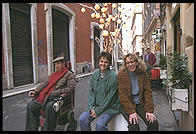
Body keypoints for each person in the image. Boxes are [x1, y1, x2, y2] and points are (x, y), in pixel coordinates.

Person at [25, 56, 75, 131]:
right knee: (31, 105)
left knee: (49, 107)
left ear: (63, 64)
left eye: (58, 64)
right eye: (55, 64)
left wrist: (56, 92)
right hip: (45, 98)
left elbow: (71, 88)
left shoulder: (69, 74)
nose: (57, 66)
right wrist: (35, 91)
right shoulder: (53, 75)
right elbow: (44, 84)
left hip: (56, 98)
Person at [79, 51, 120, 131]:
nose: (103, 64)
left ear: (109, 64)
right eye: (101, 61)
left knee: (100, 125)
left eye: (106, 62)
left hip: (110, 107)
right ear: (98, 62)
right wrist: (92, 108)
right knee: (82, 119)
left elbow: (110, 98)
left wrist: (97, 111)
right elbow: (91, 93)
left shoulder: (113, 77)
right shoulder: (94, 75)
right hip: (95, 106)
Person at [117, 53, 159, 131]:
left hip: (140, 103)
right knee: (134, 124)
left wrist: (149, 111)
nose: (130, 64)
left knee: (153, 122)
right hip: (127, 104)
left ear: (136, 62)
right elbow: (122, 96)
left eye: (132, 62)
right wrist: (131, 112)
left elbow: (147, 92)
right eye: (128, 63)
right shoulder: (121, 75)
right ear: (125, 65)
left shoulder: (143, 74)